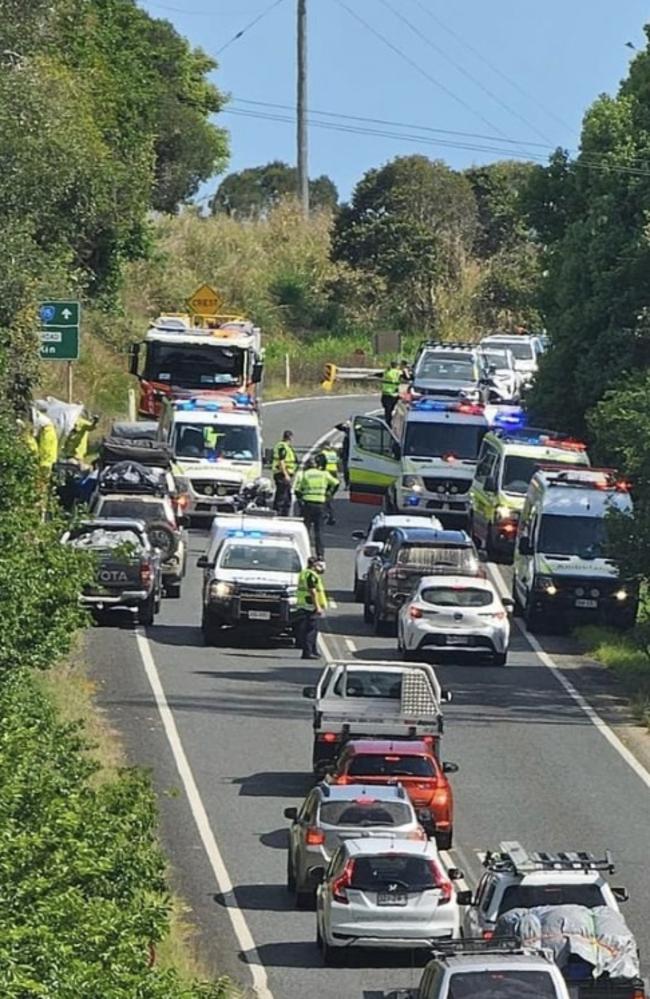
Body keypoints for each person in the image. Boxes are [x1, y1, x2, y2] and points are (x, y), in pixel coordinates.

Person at [294, 456, 338, 560]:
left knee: (305, 530)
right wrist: (329, 494)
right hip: (320, 504)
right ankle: (320, 555)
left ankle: (304, 553)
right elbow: (336, 483)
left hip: (307, 504)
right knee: (319, 531)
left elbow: (297, 490)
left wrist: (301, 500)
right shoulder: (324, 474)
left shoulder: (304, 474)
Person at [294, 556, 327, 659]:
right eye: (319, 566)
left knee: (312, 629)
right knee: (310, 631)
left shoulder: (304, 573)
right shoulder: (311, 575)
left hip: (305, 604)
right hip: (310, 605)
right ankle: (308, 652)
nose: (321, 568)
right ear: (314, 565)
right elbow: (312, 591)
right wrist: (318, 607)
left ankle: (313, 651)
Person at [272, 429, 297, 516]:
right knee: (282, 496)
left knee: (286, 496)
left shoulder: (284, 446)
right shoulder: (283, 446)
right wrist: (286, 474)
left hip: (283, 473)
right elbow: (281, 461)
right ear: (290, 437)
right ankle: (279, 513)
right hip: (282, 474)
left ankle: (283, 513)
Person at [319, 446, 340, 525]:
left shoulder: (323, 453)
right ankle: (330, 516)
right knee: (328, 498)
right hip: (334, 473)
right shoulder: (333, 453)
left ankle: (326, 515)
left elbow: (320, 464)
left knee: (325, 498)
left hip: (327, 473)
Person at [380, 360, 403, 425]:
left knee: (387, 410)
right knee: (392, 409)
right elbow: (407, 377)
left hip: (385, 393)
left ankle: (388, 422)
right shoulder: (398, 372)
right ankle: (389, 422)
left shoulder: (386, 371)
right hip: (393, 394)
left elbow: (380, 375)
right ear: (397, 366)